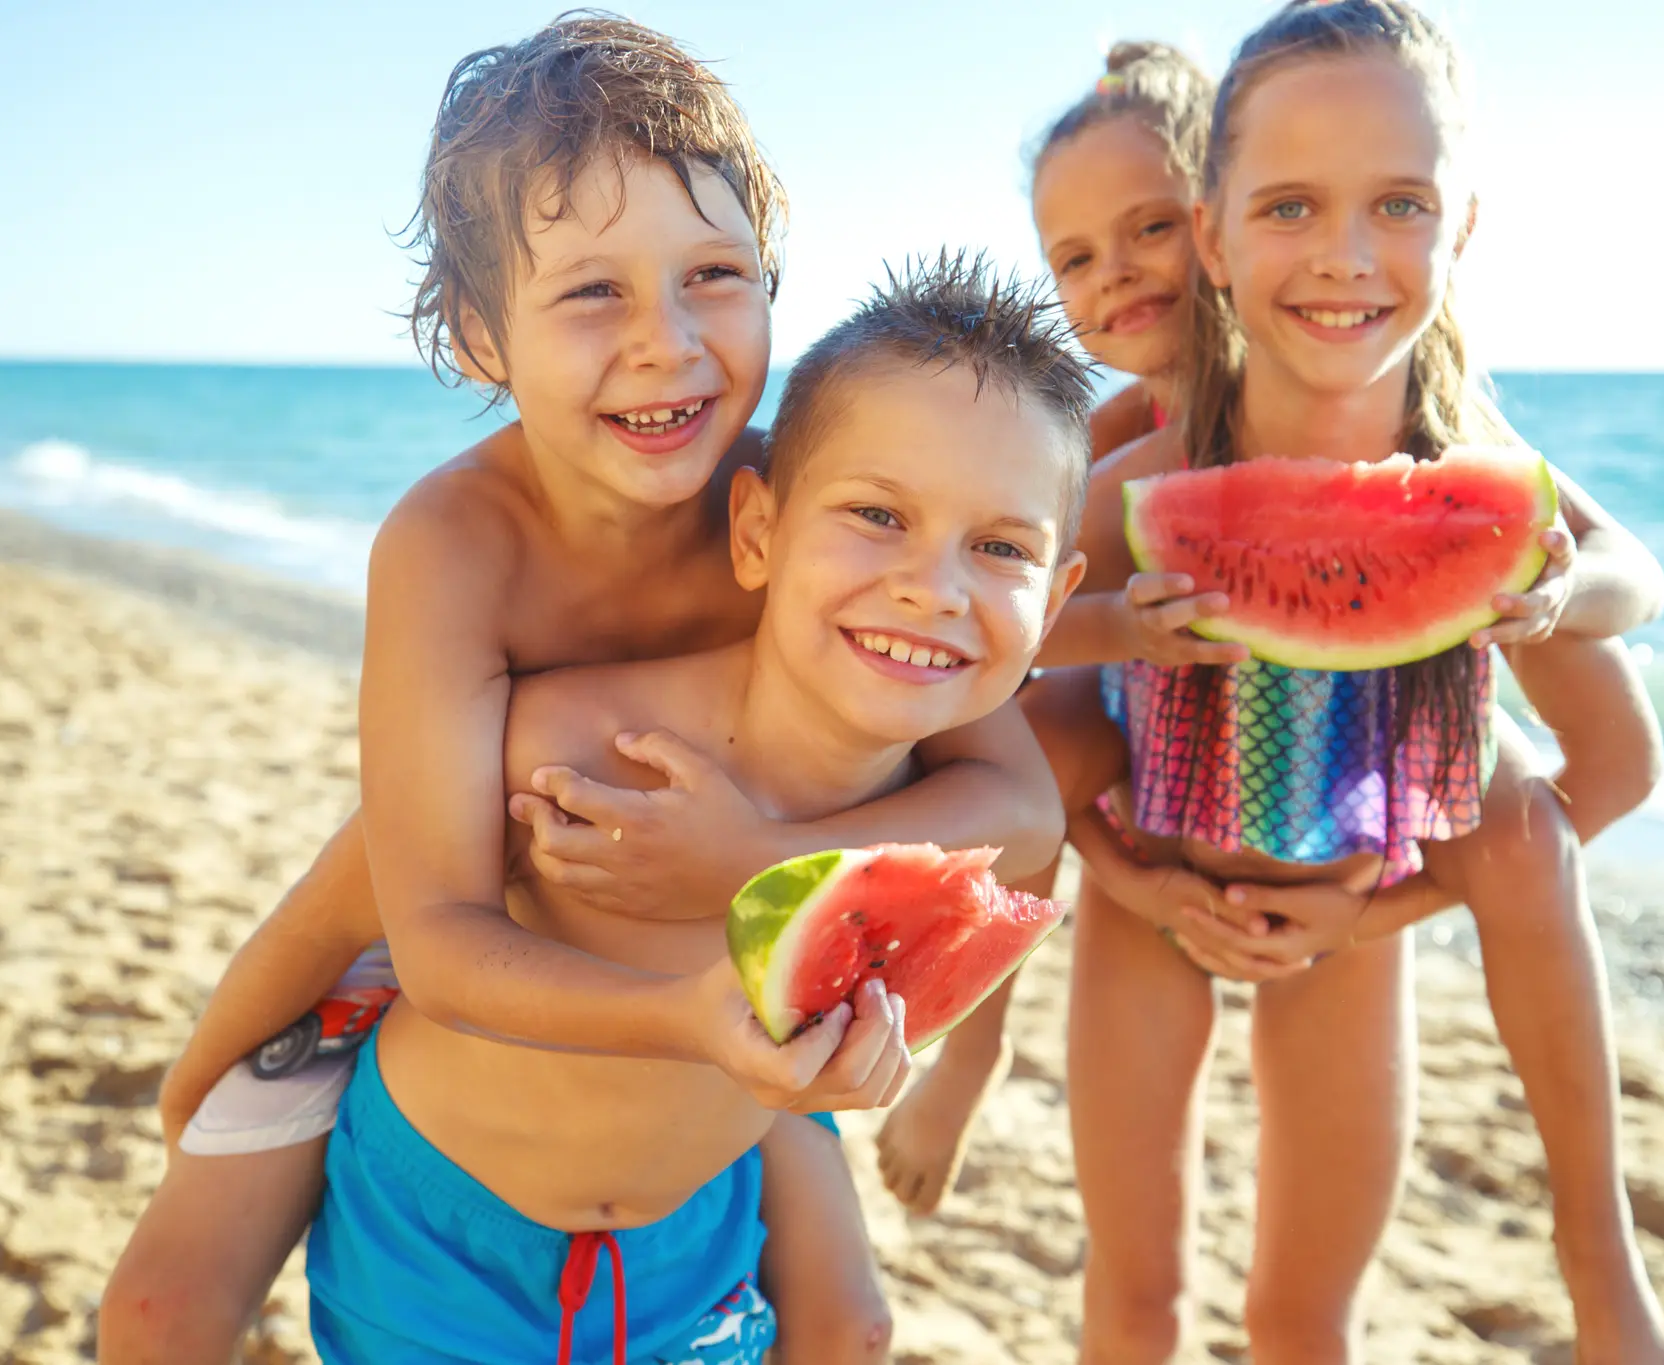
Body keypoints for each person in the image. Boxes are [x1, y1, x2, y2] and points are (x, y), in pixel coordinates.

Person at [99, 20, 1064, 1364]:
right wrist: (219, 1052)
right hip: (444, 939)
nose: (666, 344)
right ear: (481, 334)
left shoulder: (827, 519)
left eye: (714, 276)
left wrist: (748, 865)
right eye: (592, 293)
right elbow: (398, 903)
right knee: (157, 1300)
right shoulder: (458, 545)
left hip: (720, 996)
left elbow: (1015, 802)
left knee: (850, 1322)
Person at [1036, 5, 1664, 1360]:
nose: (1344, 256)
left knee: (1302, 1317)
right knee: (1135, 1298)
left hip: (1354, 906)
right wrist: (1132, 854)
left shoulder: (1471, 472)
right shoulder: (1155, 475)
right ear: (1211, 236)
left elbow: (1621, 734)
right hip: (1150, 890)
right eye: (1288, 206)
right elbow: (1010, 651)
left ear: (1463, 228)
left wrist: (1378, 910)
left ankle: (1598, 1246)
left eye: (1399, 203)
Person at [311, 249, 1091, 1361]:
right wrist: (212, 1091)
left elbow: (1027, 838)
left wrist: (766, 881)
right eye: (876, 515)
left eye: (1000, 547)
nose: (936, 586)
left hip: (697, 1217)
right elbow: (378, 916)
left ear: (1055, 599)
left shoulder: (950, 794)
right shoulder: (585, 757)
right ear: (757, 532)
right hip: (447, 1226)